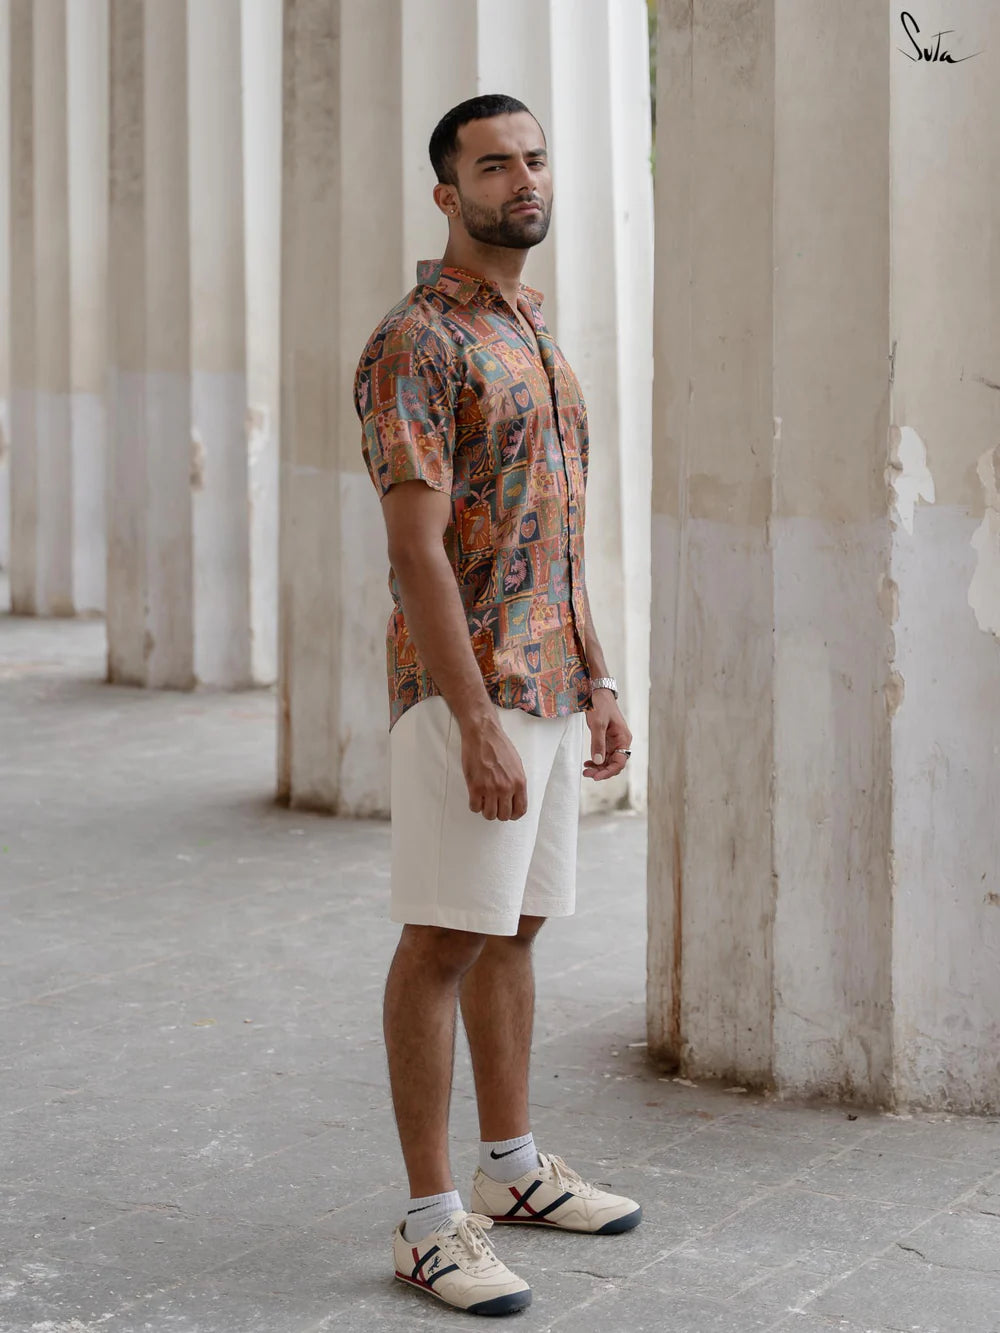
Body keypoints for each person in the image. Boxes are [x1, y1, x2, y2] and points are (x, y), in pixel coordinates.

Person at [354, 93, 640, 1318]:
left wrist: (599, 671)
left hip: (549, 682)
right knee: (440, 940)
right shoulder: (417, 340)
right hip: (464, 690)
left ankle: (513, 1169)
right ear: (446, 193)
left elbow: (555, 528)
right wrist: (472, 720)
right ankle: (429, 1225)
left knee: (513, 931)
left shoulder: (531, 327)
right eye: (492, 165)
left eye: (531, 159)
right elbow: (417, 549)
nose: (521, 179)